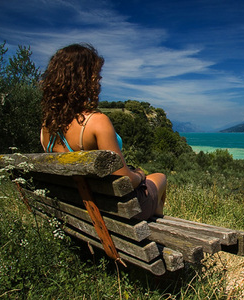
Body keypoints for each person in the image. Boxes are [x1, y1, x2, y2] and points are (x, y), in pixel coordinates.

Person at [39, 43, 166, 220]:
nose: (98, 79)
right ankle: (158, 221)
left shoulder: (47, 128)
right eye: (95, 75)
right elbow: (125, 180)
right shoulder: (96, 122)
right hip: (112, 212)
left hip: (77, 210)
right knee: (160, 177)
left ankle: (156, 215)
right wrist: (139, 175)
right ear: (83, 79)